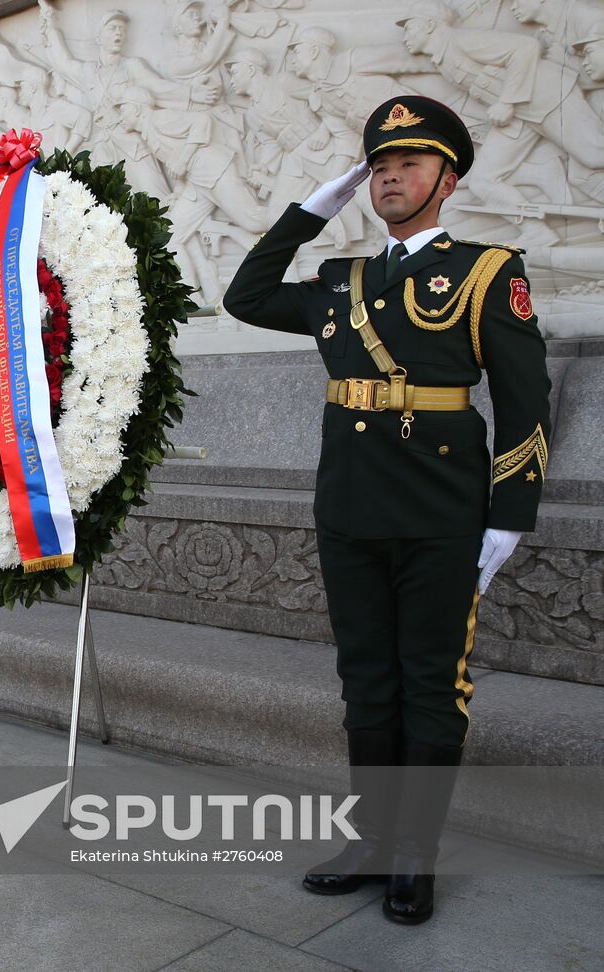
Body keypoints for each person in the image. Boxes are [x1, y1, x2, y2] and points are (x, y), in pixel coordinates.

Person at [223, 97, 551, 925]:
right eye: (378, 167)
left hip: (444, 513)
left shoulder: (486, 270)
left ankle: (414, 857)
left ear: (449, 178)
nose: (390, 177)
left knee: (432, 685)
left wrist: (509, 514)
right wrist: (311, 209)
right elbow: (245, 295)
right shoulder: (342, 280)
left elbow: (524, 402)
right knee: (366, 681)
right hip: (352, 506)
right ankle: (371, 842)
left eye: (409, 163)